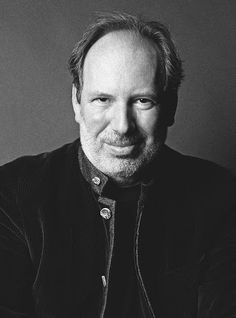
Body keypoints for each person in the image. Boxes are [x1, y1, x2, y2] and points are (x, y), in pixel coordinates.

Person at [0, 12, 235, 318]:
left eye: (142, 101)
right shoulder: (12, 195)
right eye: (102, 100)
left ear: (171, 107)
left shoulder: (221, 197)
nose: (122, 126)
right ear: (77, 102)